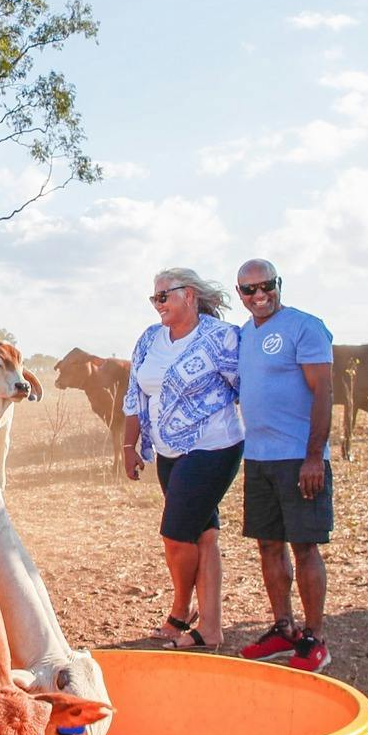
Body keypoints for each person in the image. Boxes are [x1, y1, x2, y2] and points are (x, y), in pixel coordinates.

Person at [120, 267, 244, 650]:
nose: (158, 305)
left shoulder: (221, 338)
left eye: (163, 297)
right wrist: (129, 446)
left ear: (188, 295)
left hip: (213, 446)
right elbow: (133, 395)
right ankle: (211, 628)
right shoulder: (150, 339)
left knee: (175, 535)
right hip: (167, 451)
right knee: (203, 536)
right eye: (154, 299)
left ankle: (180, 611)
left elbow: (246, 386)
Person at [233, 259, 335, 672]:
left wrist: (315, 456)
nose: (259, 296)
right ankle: (282, 627)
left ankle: (314, 638)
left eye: (266, 286)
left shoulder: (305, 327)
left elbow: (324, 391)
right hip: (258, 458)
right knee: (268, 544)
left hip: (299, 458)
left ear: (279, 284)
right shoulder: (243, 335)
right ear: (239, 294)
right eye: (248, 290)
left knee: (304, 545)